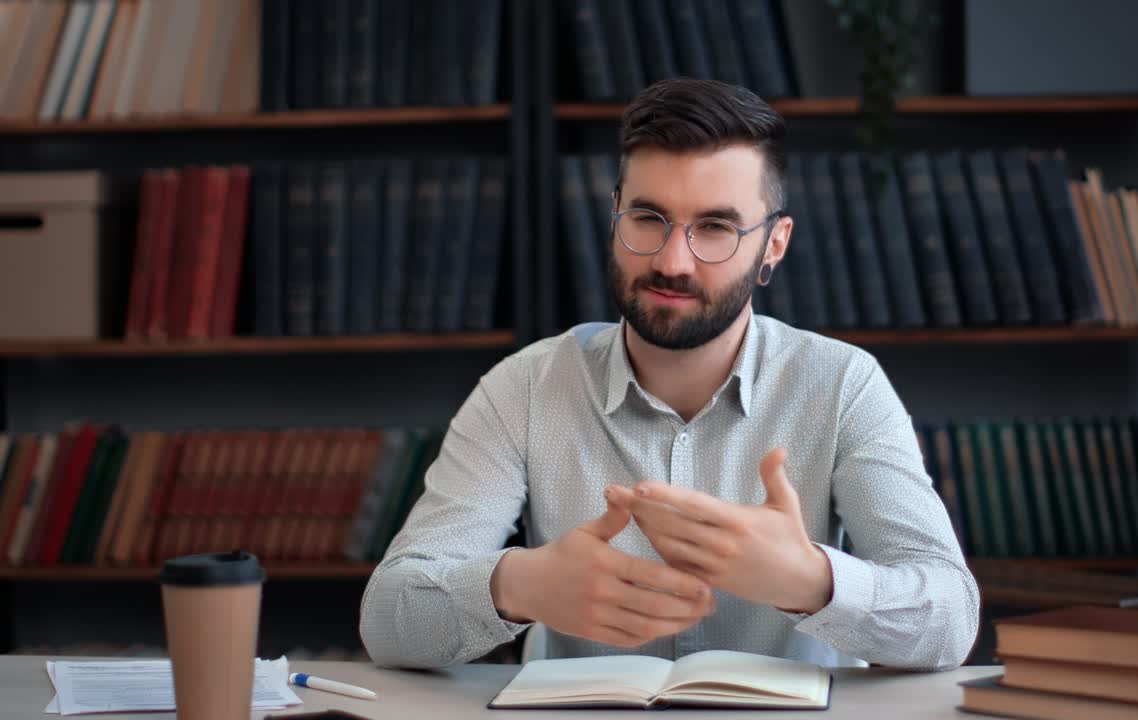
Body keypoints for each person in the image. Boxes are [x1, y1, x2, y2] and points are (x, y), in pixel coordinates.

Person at [359, 78, 979, 670]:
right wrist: (517, 585)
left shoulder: (843, 384)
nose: (672, 261)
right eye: (648, 219)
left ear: (774, 245)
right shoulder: (522, 388)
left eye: (715, 227)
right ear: (614, 216)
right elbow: (387, 620)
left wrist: (810, 580)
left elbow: (951, 619)